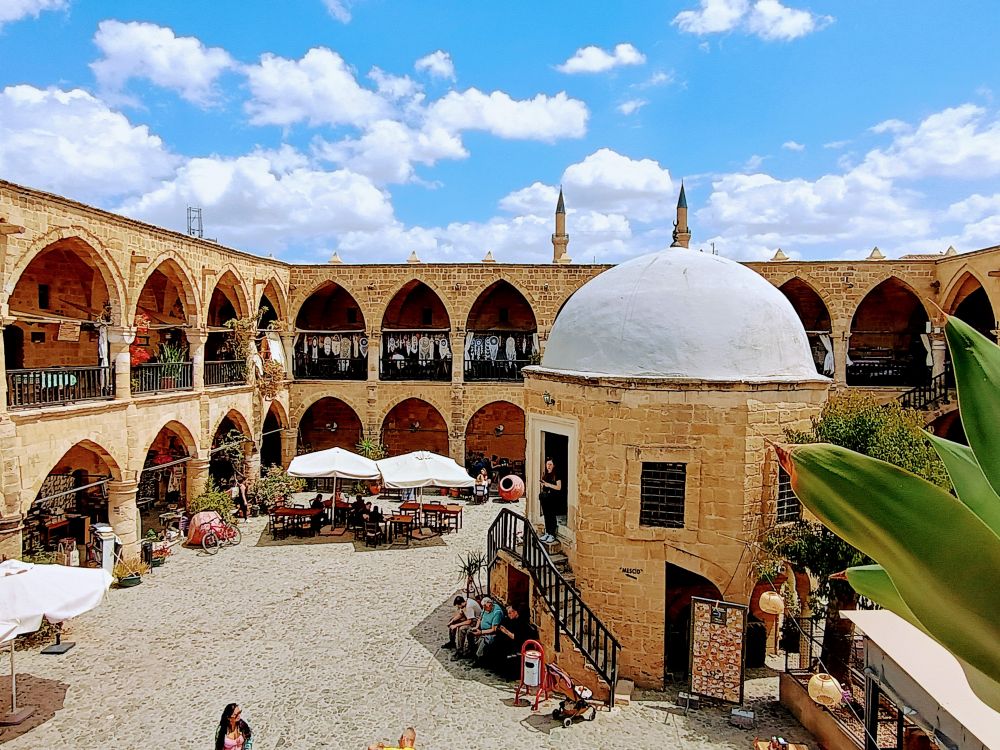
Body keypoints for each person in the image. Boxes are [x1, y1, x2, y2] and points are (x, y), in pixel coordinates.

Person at [488, 604, 535, 678]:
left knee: (501, 647)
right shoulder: (512, 620)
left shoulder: (522, 624)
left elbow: (516, 637)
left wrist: (506, 631)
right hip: (512, 642)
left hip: (519, 645)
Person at [539, 458, 562, 543]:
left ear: (553, 465)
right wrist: (543, 485)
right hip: (545, 497)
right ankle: (547, 532)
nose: (548, 466)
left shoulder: (556, 475)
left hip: (553, 498)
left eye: (550, 464)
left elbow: (559, 487)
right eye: (547, 464)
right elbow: (545, 486)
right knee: (546, 515)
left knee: (552, 516)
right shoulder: (546, 475)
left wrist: (548, 485)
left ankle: (552, 534)